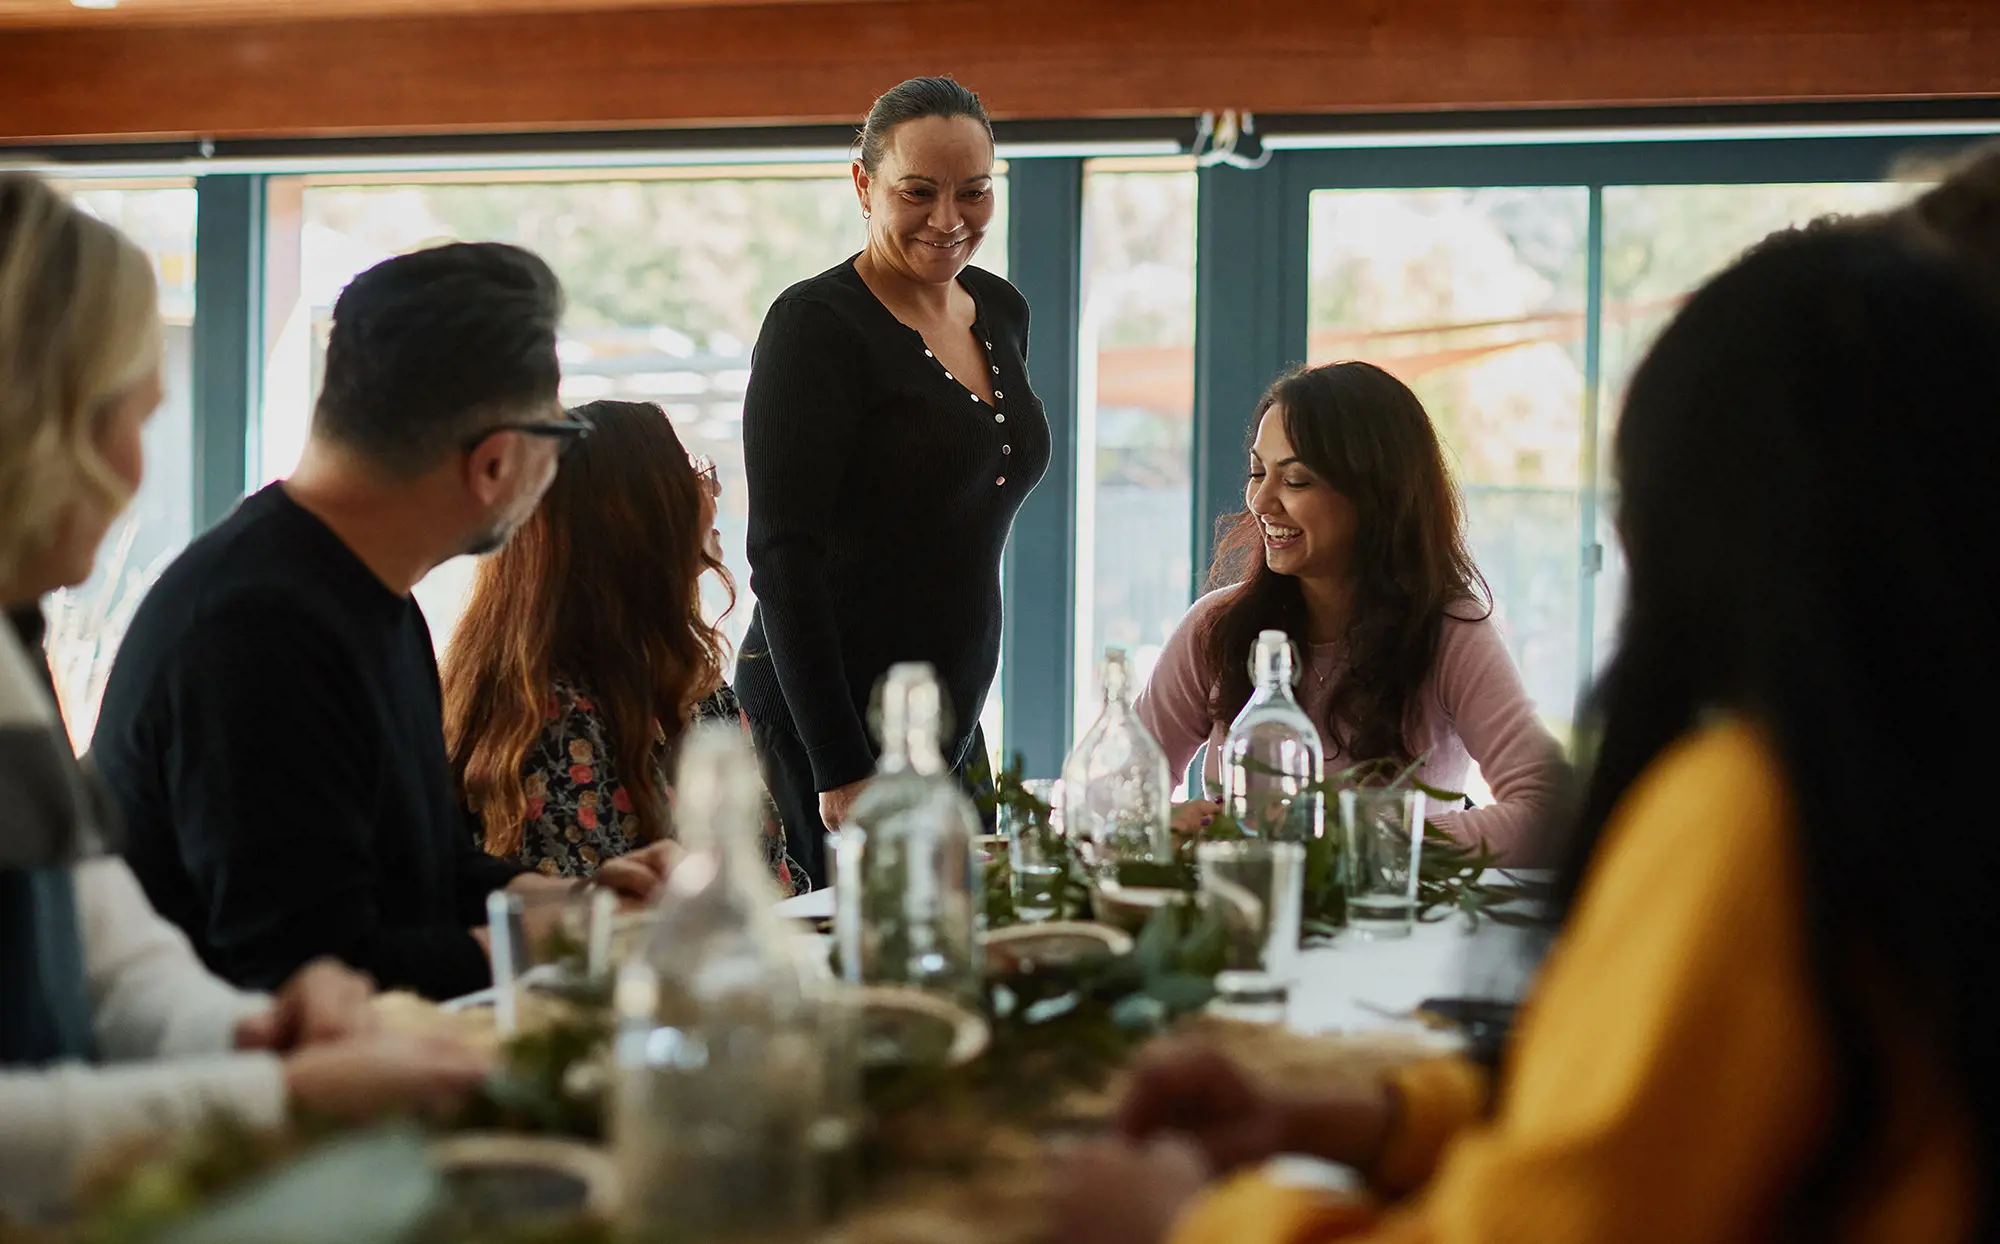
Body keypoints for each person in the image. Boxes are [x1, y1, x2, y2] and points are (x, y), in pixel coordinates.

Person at [1049, 224, 2000, 1243]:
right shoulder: (1918, 780)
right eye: (1258, 472)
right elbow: (1634, 1121)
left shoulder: (1751, 814)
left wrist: (1188, 1218)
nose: (1625, 534)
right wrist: (1363, 1117)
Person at [0, 172, 487, 1224]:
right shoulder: (254, 615)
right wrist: (277, 1089)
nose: (137, 467)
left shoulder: (12, 638)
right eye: (130, 414)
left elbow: (112, 955)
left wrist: (247, 1033)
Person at [93, 242, 674, 1003]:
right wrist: (580, 940)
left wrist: (580, 899)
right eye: (559, 440)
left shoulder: (365, 593)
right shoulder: (258, 634)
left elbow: (425, 872)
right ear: (495, 464)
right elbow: (305, 972)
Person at [737, 75, 1051, 884]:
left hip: (948, 710)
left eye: (974, 192)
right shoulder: (817, 327)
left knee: (977, 939)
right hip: (826, 714)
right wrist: (838, 764)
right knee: (854, 979)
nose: (949, 220)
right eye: (918, 192)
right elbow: (781, 555)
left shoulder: (1001, 310)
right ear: (863, 185)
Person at [1136, 361, 1564, 857]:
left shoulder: (1448, 633)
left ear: (1375, 496)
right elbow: (1113, 798)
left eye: (1295, 481)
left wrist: (1364, 847)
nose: (1260, 501)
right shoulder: (1217, 626)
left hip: (1385, 929)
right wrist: (1162, 826)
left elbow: (1546, 812)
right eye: (1258, 473)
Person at [443, 399, 799, 891]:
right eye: (689, 473)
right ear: (634, 516)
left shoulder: (694, 681)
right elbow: (597, 938)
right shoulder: (557, 717)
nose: (711, 491)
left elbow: (773, 878)